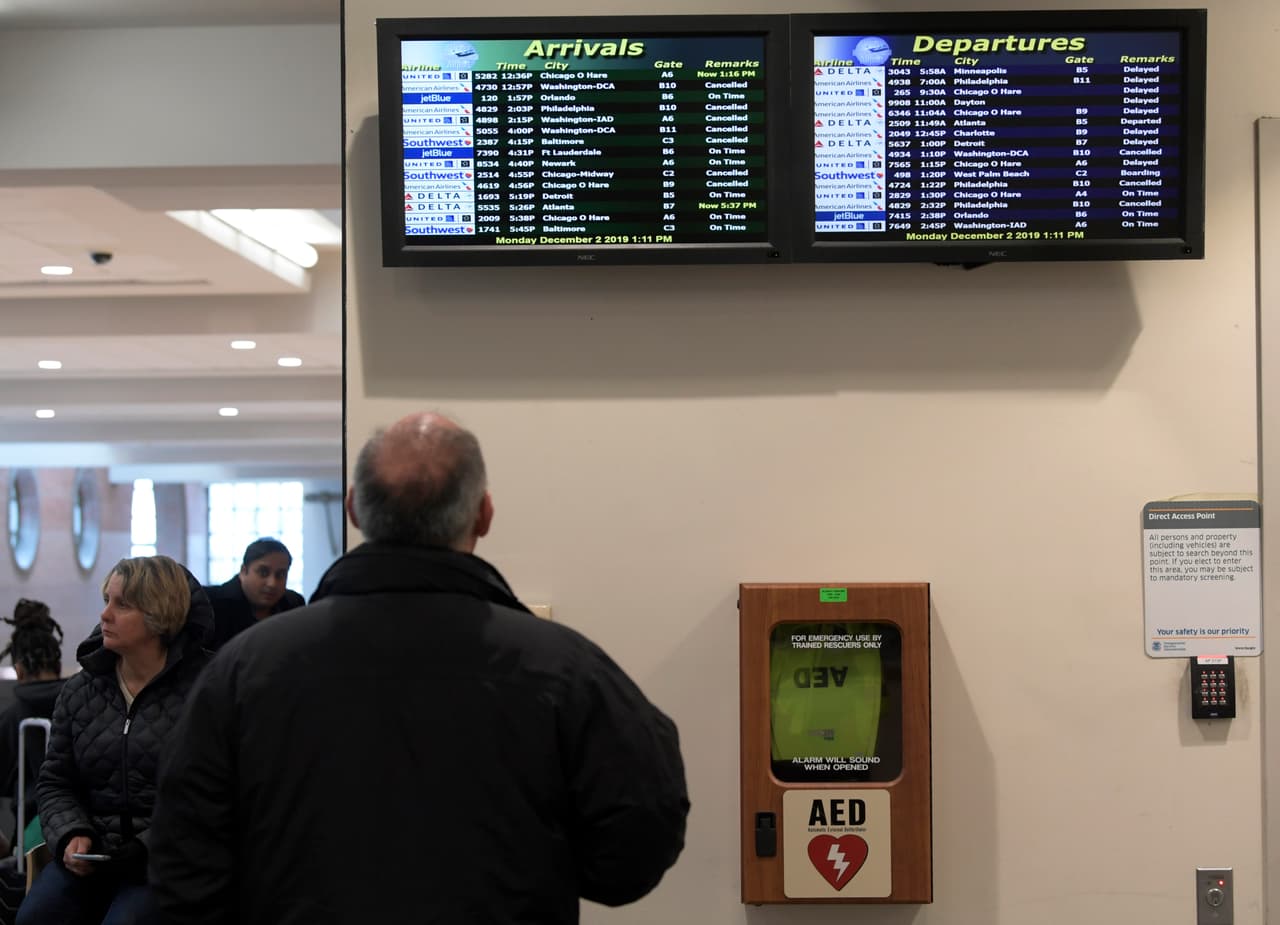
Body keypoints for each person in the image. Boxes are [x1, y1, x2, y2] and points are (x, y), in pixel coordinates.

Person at [149, 412, 690, 925]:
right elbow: (641, 833)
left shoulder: (244, 671)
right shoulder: (565, 670)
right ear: (484, 514)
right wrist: (540, 872)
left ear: (355, 509)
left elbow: (182, 852)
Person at [18, 556, 212, 925]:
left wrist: (146, 847)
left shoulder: (206, 688)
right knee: (34, 918)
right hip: (92, 855)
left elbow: (214, 794)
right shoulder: (79, 691)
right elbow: (55, 782)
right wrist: (71, 834)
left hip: (171, 859)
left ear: (159, 614)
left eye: (122, 604)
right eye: (106, 599)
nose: (105, 614)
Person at [0, 598, 66, 851]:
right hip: (85, 841)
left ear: (18, 671)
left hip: (27, 849)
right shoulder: (85, 707)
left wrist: (9, 851)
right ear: (59, 666)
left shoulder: (9, 720)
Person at [204, 538, 305, 649]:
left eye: (280, 575)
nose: (272, 583)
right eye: (263, 572)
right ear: (243, 571)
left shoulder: (294, 604)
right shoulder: (211, 604)